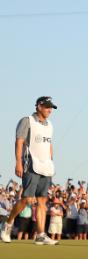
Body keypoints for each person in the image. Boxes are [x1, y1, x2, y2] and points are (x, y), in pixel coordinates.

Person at [1, 96, 59, 245]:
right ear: (39, 106)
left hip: (45, 166)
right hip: (30, 164)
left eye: (51, 107)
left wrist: (51, 161)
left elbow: (49, 144)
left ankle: (41, 234)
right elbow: (19, 141)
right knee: (26, 199)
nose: (49, 110)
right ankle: (7, 224)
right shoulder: (27, 121)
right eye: (47, 107)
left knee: (42, 201)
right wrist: (18, 162)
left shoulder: (50, 125)